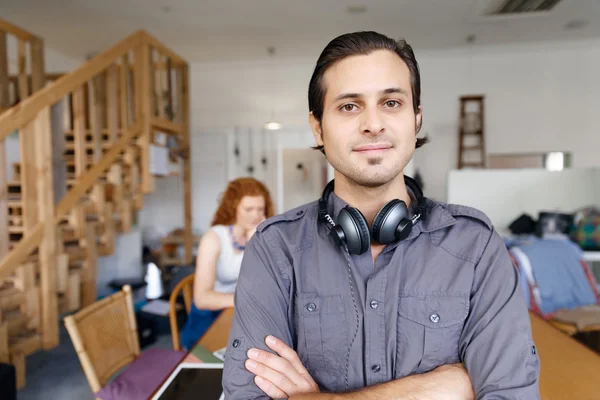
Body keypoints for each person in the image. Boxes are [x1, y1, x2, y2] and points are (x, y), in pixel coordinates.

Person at [223, 31, 540, 399]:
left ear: (416, 118)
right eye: (349, 106)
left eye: (391, 102)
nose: (373, 123)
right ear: (317, 126)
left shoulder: (476, 245)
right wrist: (437, 388)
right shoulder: (275, 247)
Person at [179, 177, 274, 351]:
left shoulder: (257, 234)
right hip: (210, 316)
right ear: (233, 207)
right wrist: (246, 300)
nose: (256, 215)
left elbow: (265, 280)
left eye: (260, 209)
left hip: (238, 313)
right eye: (249, 209)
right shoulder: (214, 238)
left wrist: (257, 240)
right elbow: (201, 299)